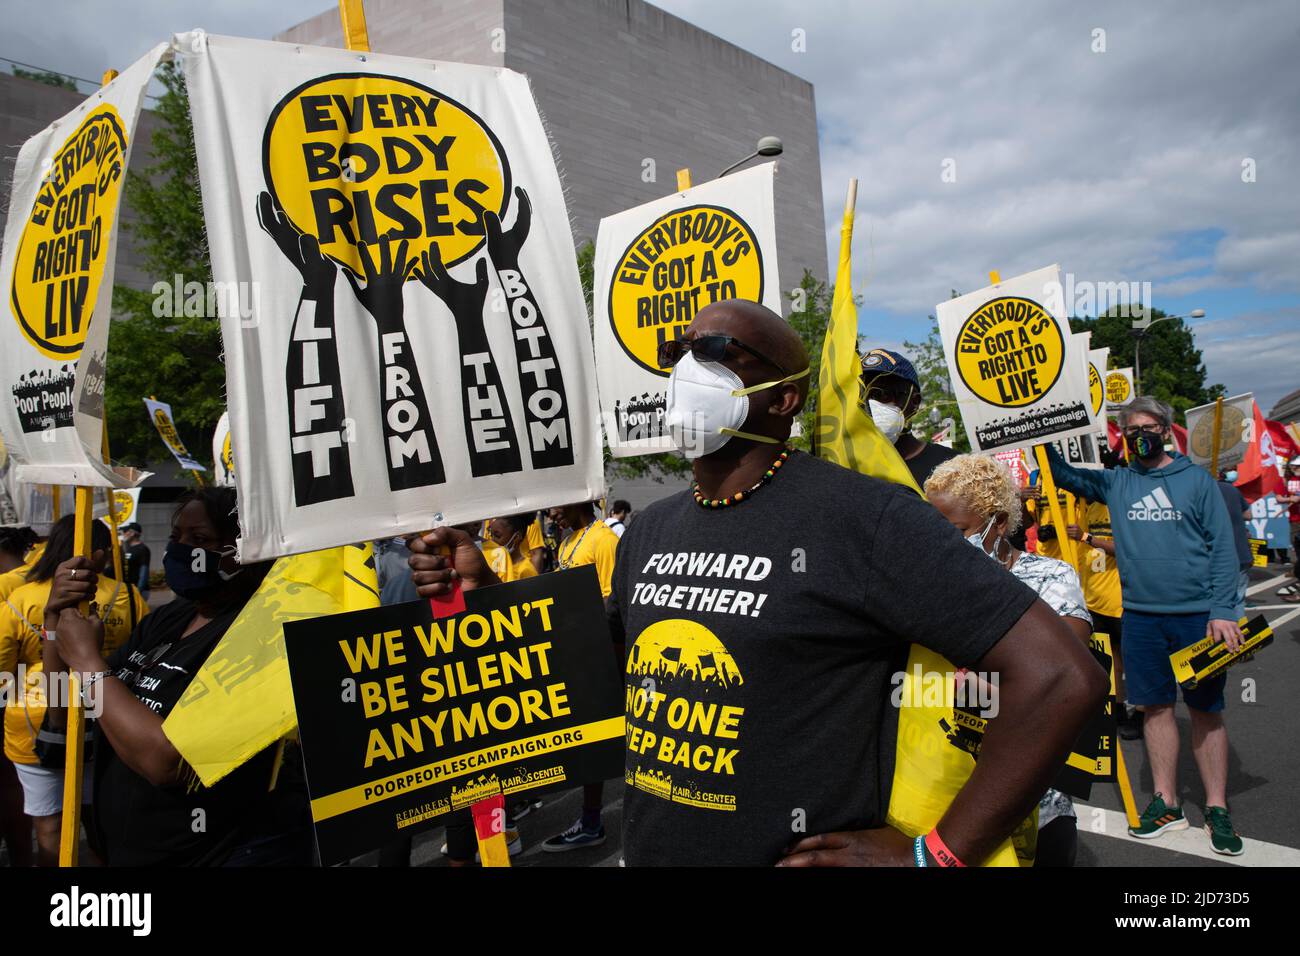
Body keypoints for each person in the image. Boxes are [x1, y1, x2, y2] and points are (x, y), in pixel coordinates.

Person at [408, 300, 1105, 867]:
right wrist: (478, 596)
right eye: (679, 351)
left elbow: (1057, 676)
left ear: (785, 398)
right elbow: (592, 670)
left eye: (718, 353)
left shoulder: (862, 517)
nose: (688, 368)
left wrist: (936, 855)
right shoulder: (652, 528)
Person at [44, 487, 314, 865]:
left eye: (200, 539)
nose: (181, 550)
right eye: (176, 538)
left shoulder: (269, 631)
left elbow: (167, 763)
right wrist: (54, 625)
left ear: (247, 550)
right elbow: (63, 712)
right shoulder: (169, 617)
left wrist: (89, 664)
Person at [1043, 396, 1245, 855]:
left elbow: (1221, 548)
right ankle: (1166, 802)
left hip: (1198, 618)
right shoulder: (1119, 483)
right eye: (1131, 428)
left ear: (1167, 430)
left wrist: (1223, 611)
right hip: (1141, 617)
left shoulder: (1196, 480)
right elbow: (1066, 476)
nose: (1140, 434)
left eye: (1148, 426)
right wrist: (1039, 432)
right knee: (1154, 708)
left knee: (1205, 710)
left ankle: (1216, 807)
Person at [925, 454, 1093, 867]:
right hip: (941, 791)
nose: (946, 546)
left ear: (999, 522)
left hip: (1034, 796)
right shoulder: (926, 585)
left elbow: (1061, 674)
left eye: (959, 531)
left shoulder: (1051, 577)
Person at [0, 515, 147, 865]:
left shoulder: (20, 597)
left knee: (48, 824)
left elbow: (3, 667)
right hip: (110, 713)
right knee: (100, 822)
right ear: (98, 553)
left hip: (32, 722)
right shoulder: (126, 594)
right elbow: (143, 655)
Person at [538, 501, 619, 852]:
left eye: (556, 506)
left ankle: (597, 823)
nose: (552, 513)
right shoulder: (570, 542)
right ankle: (590, 822)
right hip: (576, 652)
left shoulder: (603, 539)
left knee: (605, 743)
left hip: (602, 656)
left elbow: (615, 602)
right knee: (586, 743)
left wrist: (571, 615)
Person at [859, 347, 956, 487]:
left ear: (914, 402)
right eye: (861, 398)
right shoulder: (855, 472)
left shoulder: (952, 469)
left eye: (882, 395)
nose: (870, 406)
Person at [0, 524, 39, 865]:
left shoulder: (4, 586)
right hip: (40, 694)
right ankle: (22, 856)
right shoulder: (38, 577)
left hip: (10, 695)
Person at [1216, 477, 1253, 618]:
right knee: (1238, 599)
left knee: (1218, 600)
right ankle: (1239, 636)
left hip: (1217, 557)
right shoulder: (1231, 489)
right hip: (1241, 553)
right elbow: (1248, 515)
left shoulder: (1197, 491)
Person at [485, 514, 541, 583]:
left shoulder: (526, 571)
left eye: (497, 536)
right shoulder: (497, 565)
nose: (492, 541)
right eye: (491, 535)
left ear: (516, 537)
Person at [1276, 459, 1300, 601]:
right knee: (1297, 551)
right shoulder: (1285, 480)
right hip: (1295, 522)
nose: (1295, 467)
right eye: (1294, 465)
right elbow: (1279, 498)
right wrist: (1291, 498)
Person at [120, 523, 151, 598]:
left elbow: (144, 572)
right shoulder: (128, 548)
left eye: (125, 531)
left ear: (132, 533)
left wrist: (138, 591)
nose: (123, 534)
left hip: (138, 591)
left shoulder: (143, 549)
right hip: (129, 590)